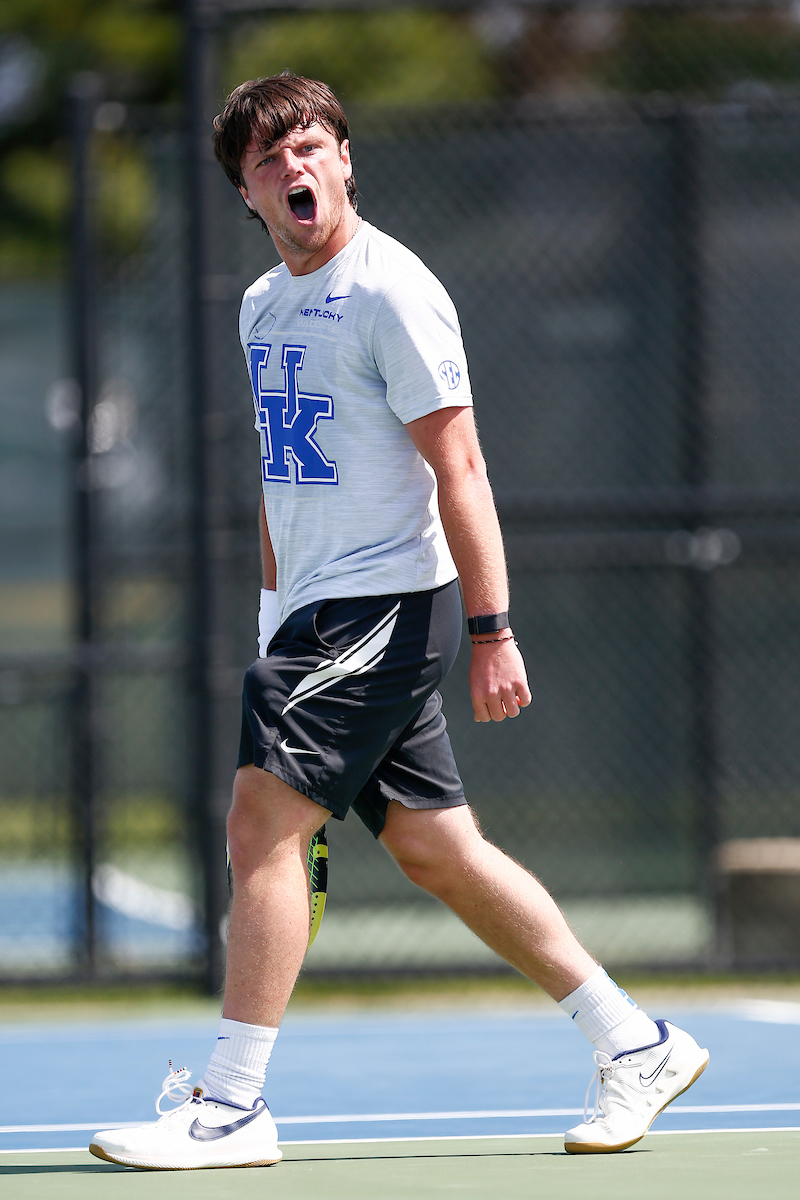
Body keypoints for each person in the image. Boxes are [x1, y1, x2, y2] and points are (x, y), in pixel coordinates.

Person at [90, 71, 708, 1172]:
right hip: (312, 613)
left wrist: (492, 628)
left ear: (344, 160)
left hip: (382, 604)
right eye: (268, 158)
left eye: (309, 146)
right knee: (435, 849)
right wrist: (274, 613)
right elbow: (284, 478)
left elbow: (459, 465)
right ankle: (636, 1041)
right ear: (245, 192)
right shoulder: (260, 304)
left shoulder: (392, 291)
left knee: (259, 826)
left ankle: (230, 1107)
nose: (293, 168)